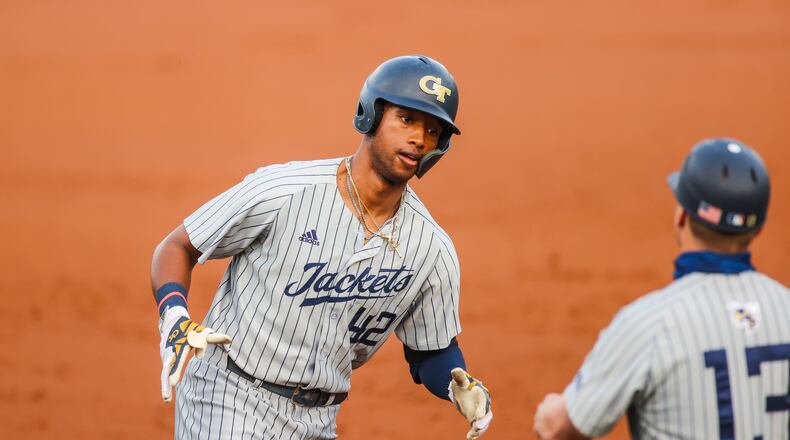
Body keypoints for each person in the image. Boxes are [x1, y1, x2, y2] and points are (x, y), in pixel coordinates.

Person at [151, 54, 493, 440]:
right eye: (407, 119)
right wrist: (174, 318)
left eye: (433, 131)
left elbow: (430, 351)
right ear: (371, 114)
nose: (419, 138)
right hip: (229, 394)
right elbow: (178, 247)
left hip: (319, 420)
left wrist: (457, 386)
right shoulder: (283, 191)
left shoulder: (431, 249)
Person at [534, 138, 790, 439]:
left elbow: (556, 428)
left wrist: (551, 409)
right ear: (757, 229)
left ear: (682, 215)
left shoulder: (648, 325)